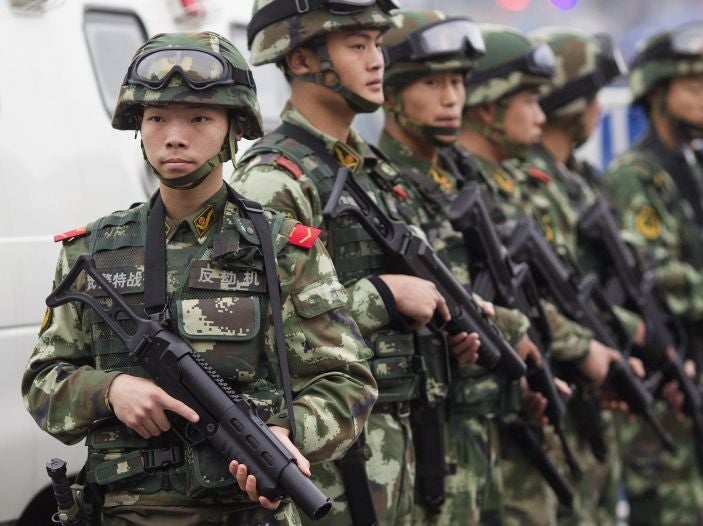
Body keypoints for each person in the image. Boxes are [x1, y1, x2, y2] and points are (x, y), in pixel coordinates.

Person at [21, 31, 377, 526]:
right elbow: (42, 383)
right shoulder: (92, 250)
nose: (174, 136)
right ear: (139, 128)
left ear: (234, 129)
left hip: (246, 512)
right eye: (157, 118)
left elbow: (348, 381)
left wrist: (286, 434)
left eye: (199, 118)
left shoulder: (282, 249)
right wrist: (111, 389)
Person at [232, 2, 461, 525]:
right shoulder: (275, 179)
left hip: (395, 438)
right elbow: (258, 329)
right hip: (333, 457)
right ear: (304, 60)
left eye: (377, 45)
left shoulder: (363, 166)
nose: (377, 60)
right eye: (358, 46)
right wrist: (380, 296)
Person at [377, 10, 546, 526]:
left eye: (457, 82)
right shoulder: (376, 186)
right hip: (426, 434)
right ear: (390, 91)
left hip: (483, 418)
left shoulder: (459, 176)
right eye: (432, 82)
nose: (452, 98)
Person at [456, 24, 626, 525]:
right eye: (529, 100)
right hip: (503, 414)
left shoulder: (515, 183)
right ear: (488, 108)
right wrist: (580, 346)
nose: (540, 113)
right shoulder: (474, 186)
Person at [603, 21, 703, 526]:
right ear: (656, 92)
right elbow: (655, 274)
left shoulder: (698, 173)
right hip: (668, 376)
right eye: (694, 88)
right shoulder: (634, 176)